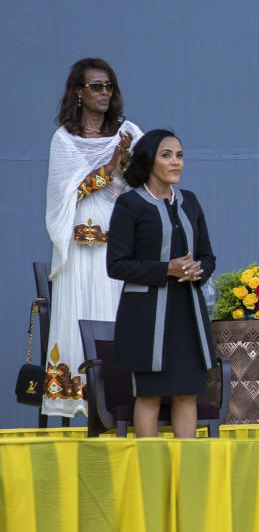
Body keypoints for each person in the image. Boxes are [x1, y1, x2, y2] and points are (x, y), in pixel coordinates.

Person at [43, 58, 142, 419]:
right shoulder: (64, 139)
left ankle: (122, 400)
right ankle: (83, 400)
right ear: (79, 93)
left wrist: (128, 165)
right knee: (83, 314)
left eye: (109, 86)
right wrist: (109, 168)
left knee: (119, 313)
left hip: (122, 243)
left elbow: (147, 186)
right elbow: (64, 195)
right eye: (96, 86)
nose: (104, 92)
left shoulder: (129, 132)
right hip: (81, 247)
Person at [106, 129, 216, 438]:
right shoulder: (130, 204)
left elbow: (208, 256)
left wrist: (198, 269)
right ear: (149, 160)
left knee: (186, 394)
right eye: (166, 155)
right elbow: (116, 265)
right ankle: (150, 479)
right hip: (146, 317)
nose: (176, 162)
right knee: (149, 395)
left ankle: (187, 479)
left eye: (180, 155)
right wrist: (166, 269)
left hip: (187, 314)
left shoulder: (190, 201)